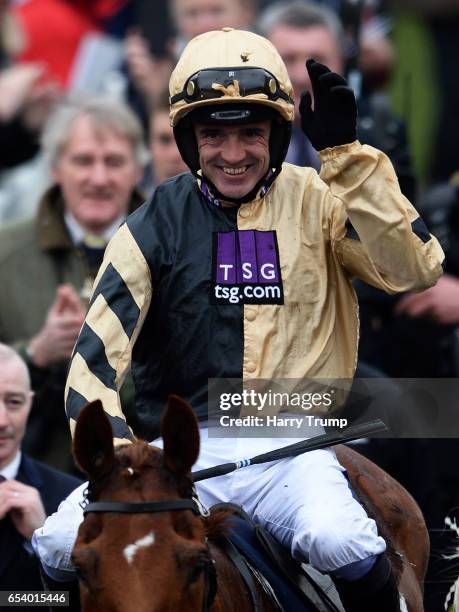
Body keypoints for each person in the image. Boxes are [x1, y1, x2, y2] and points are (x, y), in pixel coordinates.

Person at [34, 28, 443, 611]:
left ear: (278, 133)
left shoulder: (325, 198)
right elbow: (93, 363)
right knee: (52, 544)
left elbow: (415, 270)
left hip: (291, 450)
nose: (233, 155)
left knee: (341, 539)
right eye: (213, 135)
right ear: (186, 139)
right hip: (175, 459)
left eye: (251, 133)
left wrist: (349, 160)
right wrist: (126, 460)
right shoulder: (149, 225)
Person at [0, 96, 146, 471]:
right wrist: (35, 353)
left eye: (114, 162)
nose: (99, 178)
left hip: (140, 480)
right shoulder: (6, 252)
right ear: (54, 168)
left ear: (137, 170)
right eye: (83, 161)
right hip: (30, 475)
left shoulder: (173, 250)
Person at [0, 343, 81, 592]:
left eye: (14, 402)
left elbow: (76, 604)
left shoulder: (72, 501)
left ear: (30, 403)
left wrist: (46, 543)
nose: (2, 421)